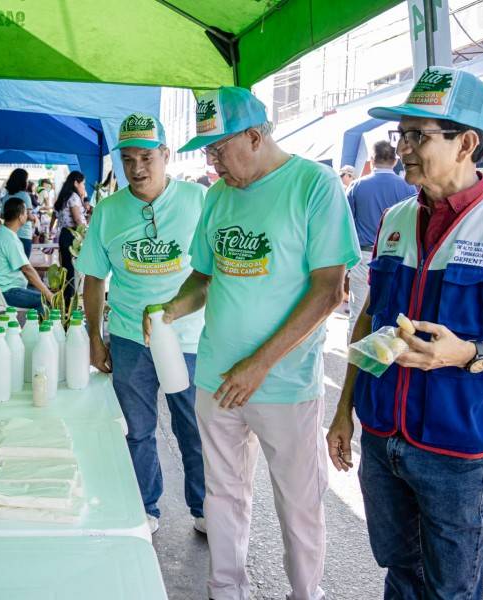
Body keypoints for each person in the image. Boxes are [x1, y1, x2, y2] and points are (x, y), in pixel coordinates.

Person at [326, 67, 483, 599]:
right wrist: (344, 410)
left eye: (417, 135)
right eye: (399, 136)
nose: (402, 147)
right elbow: (370, 315)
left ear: (466, 144)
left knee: (451, 589)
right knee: (400, 573)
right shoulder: (395, 219)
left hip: (456, 452)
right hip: (383, 438)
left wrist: (469, 352)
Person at [146, 86, 360, 600]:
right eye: (206, 151)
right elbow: (203, 276)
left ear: (256, 135)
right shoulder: (218, 195)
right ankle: (226, 590)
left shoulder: (314, 184)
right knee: (222, 494)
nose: (212, 160)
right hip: (216, 375)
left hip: (283, 382)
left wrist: (260, 365)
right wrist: (172, 309)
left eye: (219, 148)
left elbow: (329, 289)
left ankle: (305, 593)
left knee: (298, 502)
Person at [75, 113, 207, 535]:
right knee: (137, 430)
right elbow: (94, 278)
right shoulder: (109, 211)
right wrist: (95, 339)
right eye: (128, 159)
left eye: (147, 157)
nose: (137, 168)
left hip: (189, 338)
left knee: (196, 430)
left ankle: (204, 508)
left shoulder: (198, 201)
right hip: (131, 337)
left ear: (166, 155)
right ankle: (144, 508)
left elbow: (214, 271)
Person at [345, 140, 416, 338]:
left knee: (358, 314)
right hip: (398, 260)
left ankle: (356, 362)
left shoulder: (356, 186)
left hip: (362, 256)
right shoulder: (409, 188)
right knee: (393, 315)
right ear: (395, 161)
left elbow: (346, 224)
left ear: (372, 159)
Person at [0, 197, 54, 313]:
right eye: (26, 212)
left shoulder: (2, 232)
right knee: (45, 300)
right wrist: (48, 293)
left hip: (4, 289)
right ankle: (41, 330)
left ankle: (37, 329)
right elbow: (27, 270)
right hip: (8, 292)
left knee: (41, 294)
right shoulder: (9, 238)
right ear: (20, 216)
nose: (28, 215)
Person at [53, 171, 88, 306]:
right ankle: (70, 302)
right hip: (72, 235)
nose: (84, 187)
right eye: (83, 184)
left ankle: (67, 300)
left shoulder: (65, 196)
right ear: (76, 183)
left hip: (64, 234)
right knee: (71, 271)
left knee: (67, 269)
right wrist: (86, 235)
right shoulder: (73, 197)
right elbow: (78, 219)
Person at [2, 168, 36, 258]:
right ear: (23, 181)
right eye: (26, 180)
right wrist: (34, 219)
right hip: (24, 235)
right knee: (24, 266)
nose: (28, 182)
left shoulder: (7, 196)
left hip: (9, 234)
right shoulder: (25, 195)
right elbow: (28, 216)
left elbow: (2, 215)